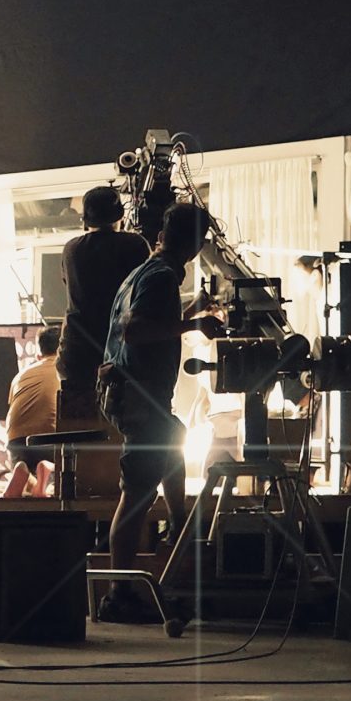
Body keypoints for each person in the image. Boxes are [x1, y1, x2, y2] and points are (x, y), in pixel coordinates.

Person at [94, 202, 220, 622]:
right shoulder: (164, 276)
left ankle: (179, 523)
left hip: (135, 396)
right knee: (136, 497)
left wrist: (192, 312)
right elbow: (136, 329)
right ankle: (119, 596)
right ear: (196, 242)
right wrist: (192, 327)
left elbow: (147, 321)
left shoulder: (145, 271)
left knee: (177, 437)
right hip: (138, 397)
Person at [59, 186, 151, 420]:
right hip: (120, 354)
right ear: (120, 215)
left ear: (86, 219)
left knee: (79, 434)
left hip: (76, 356)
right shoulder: (135, 245)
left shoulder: (71, 249)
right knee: (122, 433)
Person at [2, 329, 61, 497]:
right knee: (69, 463)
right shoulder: (64, 371)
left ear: (38, 355)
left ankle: (21, 468)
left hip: (17, 442)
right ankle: (49, 467)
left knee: (25, 464)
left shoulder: (20, 375)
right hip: (50, 442)